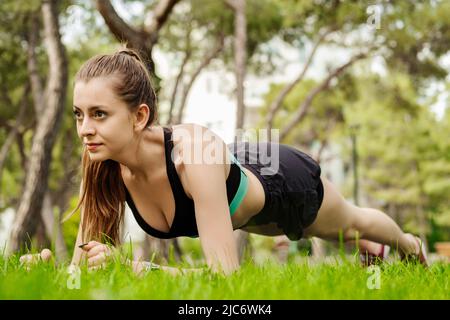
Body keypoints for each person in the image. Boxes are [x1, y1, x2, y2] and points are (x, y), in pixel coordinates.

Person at [20, 48, 427, 275]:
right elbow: (80, 267)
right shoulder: (101, 160)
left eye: (99, 114)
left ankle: (407, 244)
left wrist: (137, 269)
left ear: (140, 115)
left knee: (348, 223)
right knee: (338, 232)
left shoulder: (193, 158)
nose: (85, 129)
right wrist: (50, 269)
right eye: (79, 114)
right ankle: (372, 249)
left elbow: (226, 280)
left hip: (278, 178)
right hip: (231, 181)